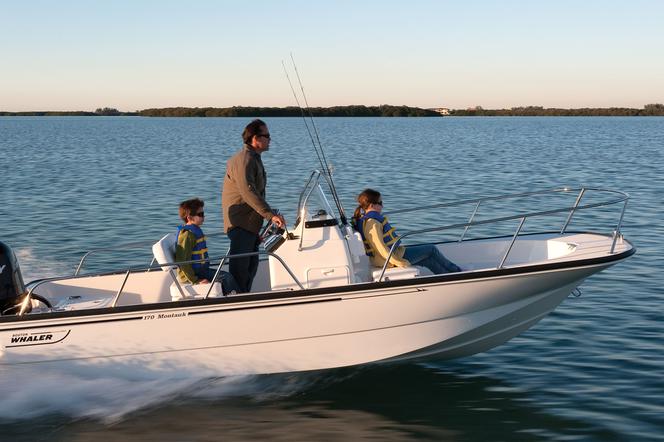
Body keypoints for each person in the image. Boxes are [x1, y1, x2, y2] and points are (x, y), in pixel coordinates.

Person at [221, 119, 286, 293]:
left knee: (251, 267)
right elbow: (248, 192)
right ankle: (236, 304)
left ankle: (244, 299)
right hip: (240, 224)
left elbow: (255, 193)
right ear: (255, 138)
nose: (270, 139)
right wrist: (270, 215)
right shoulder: (245, 160)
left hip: (250, 225)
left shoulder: (253, 158)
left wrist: (270, 214)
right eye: (267, 136)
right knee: (241, 270)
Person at [353, 188, 462, 274]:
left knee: (428, 260)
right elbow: (380, 248)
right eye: (380, 203)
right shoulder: (373, 223)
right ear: (372, 205)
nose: (382, 205)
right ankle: (458, 272)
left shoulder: (366, 220)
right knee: (431, 249)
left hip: (386, 257)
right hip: (390, 259)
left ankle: (446, 276)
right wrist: (398, 262)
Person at [175, 198, 238, 293]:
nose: (203, 217)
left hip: (200, 270)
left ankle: (231, 296)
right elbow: (182, 261)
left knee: (226, 277)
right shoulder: (187, 235)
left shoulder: (194, 231)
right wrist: (196, 280)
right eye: (200, 215)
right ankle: (236, 299)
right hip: (194, 274)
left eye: (203, 214)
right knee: (226, 277)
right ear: (189, 218)